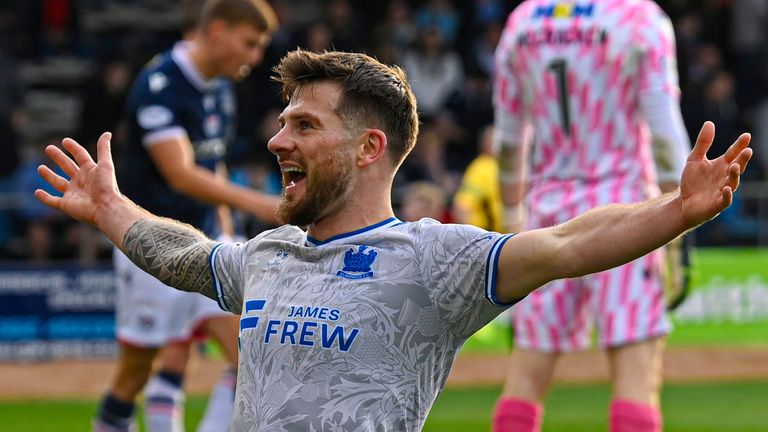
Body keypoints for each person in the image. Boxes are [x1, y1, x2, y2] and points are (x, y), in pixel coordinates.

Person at [36, 49, 751, 431]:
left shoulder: (436, 260)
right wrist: (111, 209)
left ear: (369, 147)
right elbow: (183, 256)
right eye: (283, 122)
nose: (278, 139)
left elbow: (566, 243)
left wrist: (675, 212)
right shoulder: (267, 257)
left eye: (305, 125)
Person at [492, 1, 694, 431]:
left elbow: (509, 143)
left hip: (545, 215)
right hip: (627, 213)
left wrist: (511, 220)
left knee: (525, 377)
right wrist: (676, 226)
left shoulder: (523, 21)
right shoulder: (639, 18)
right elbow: (664, 132)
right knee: (635, 378)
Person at [87, 1, 279, 431]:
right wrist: (262, 205)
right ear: (216, 30)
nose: (254, 57)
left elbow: (214, 164)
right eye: (249, 44)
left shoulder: (221, 85)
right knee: (135, 373)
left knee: (250, 355)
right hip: (150, 244)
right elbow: (180, 173)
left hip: (207, 244)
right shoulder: (160, 85)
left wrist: (227, 232)